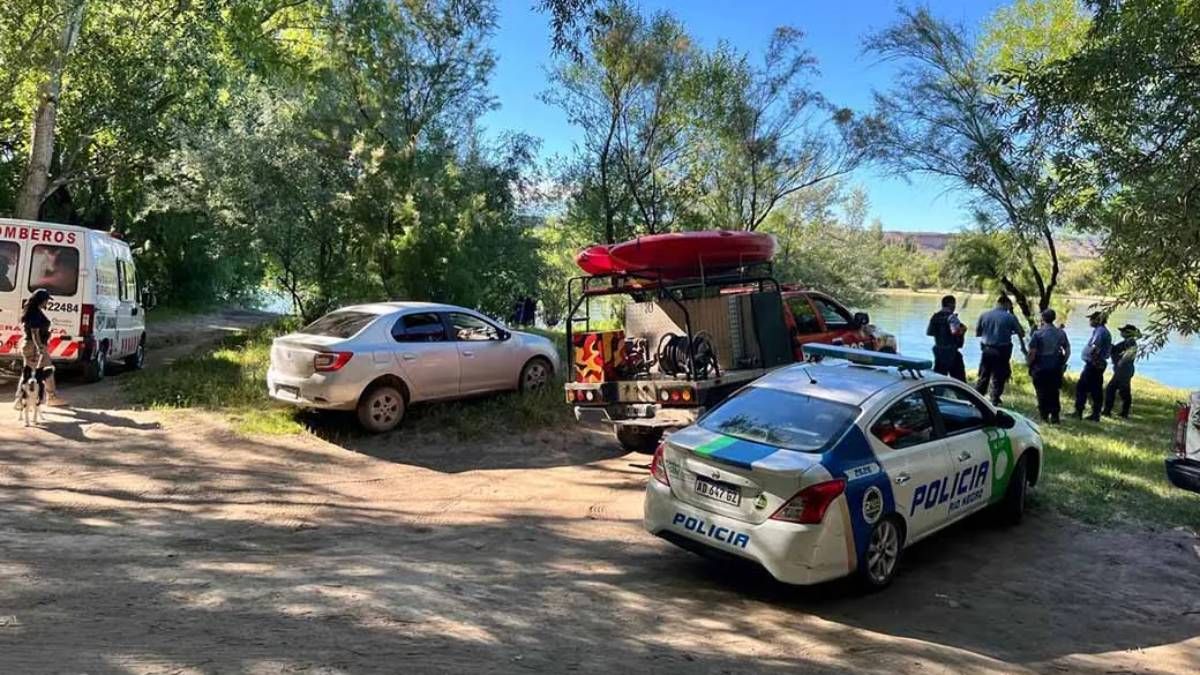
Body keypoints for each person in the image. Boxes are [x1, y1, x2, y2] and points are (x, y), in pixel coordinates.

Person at [974, 295, 1027, 406]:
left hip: (987, 349)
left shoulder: (984, 315)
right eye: (1010, 305)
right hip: (1002, 350)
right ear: (1006, 304)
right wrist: (1009, 331)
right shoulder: (1010, 317)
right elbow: (1021, 333)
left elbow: (977, 333)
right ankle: (994, 399)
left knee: (984, 375)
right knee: (999, 375)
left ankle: (977, 398)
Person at [14, 288, 59, 408]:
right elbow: (34, 332)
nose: (47, 303)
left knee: (33, 372)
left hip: (32, 345)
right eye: (46, 301)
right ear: (41, 300)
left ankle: (51, 397)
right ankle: (21, 400)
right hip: (34, 346)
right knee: (40, 371)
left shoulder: (32, 311)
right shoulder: (34, 313)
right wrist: (39, 347)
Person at [1026, 309, 1071, 423]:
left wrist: (1029, 364)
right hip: (1055, 368)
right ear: (1054, 318)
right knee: (1054, 391)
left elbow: (1032, 352)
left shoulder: (1038, 334)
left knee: (1041, 391)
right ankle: (1055, 415)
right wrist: (1063, 362)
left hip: (1040, 368)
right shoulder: (1061, 333)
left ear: (1042, 319)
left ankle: (1044, 415)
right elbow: (1067, 349)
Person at [1073, 311, 1112, 421]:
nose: (1090, 321)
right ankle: (1095, 414)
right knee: (1095, 389)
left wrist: (1094, 361)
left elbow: (1095, 348)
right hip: (1095, 365)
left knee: (1082, 388)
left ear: (1097, 320)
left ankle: (1080, 412)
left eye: (1092, 319)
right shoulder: (1100, 331)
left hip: (1093, 365)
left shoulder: (1100, 332)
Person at [926, 295, 966, 381]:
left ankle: (936, 392)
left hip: (939, 350)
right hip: (951, 351)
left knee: (939, 378)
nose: (955, 306)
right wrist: (963, 329)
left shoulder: (935, 317)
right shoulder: (952, 317)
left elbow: (929, 333)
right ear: (950, 304)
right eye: (954, 304)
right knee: (959, 379)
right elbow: (955, 332)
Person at [1103, 324, 1139, 418]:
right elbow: (1116, 349)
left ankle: (1110, 411)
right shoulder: (1127, 341)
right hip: (1123, 370)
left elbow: (1130, 353)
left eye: (1123, 331)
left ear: (1128, 333)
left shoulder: (1130, 342)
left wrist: (1121, 362)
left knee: (1113, 389)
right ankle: (1123, 412)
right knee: (1123, 391)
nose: (1121, 332)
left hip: (1123, 370)